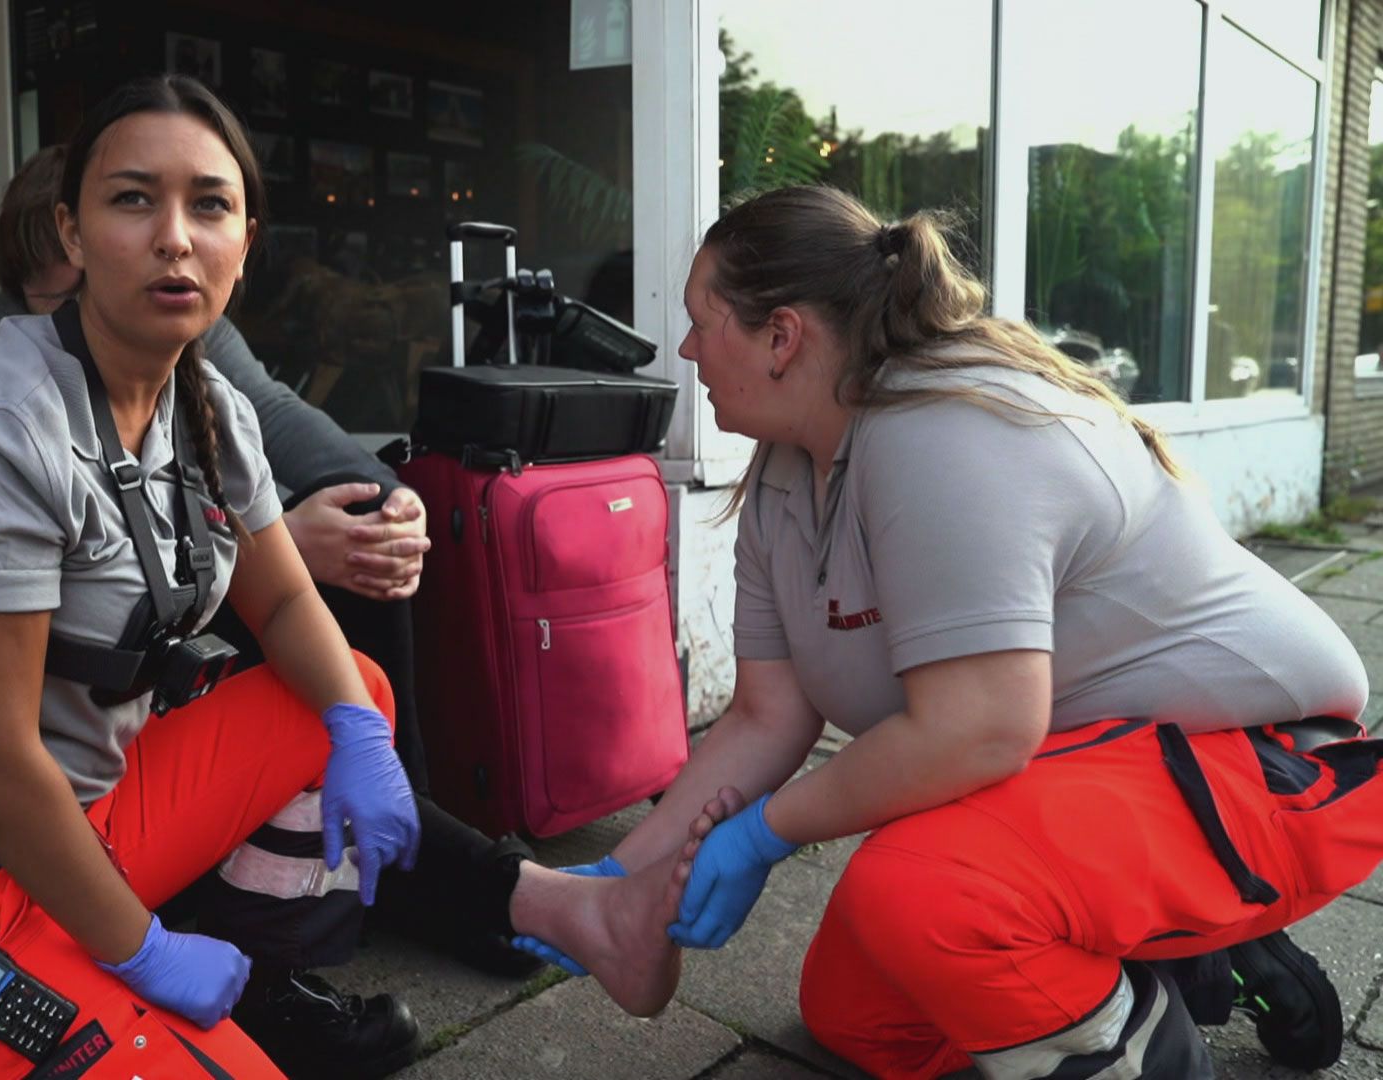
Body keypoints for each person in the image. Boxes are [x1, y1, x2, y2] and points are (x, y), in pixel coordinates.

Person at [526, 184, 1383, 1078]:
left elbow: (976, 728)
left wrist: (763, 834)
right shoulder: (785, 476)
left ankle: (1154, 1024)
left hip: (1269, 768)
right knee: (856, 1018)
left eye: (705, 322)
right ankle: (1158, 948)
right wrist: (623, 876)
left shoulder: (945, 430)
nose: (687, 348)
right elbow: (765, 718)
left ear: (782, 337)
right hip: (1084, 775)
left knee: (922, 896)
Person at [0, 75, 426, 1080]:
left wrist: (363, 737)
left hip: (91, 814)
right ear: (70, 231)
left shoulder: (208, 402)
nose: (175, 236)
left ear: (246, 239)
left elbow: (278, 600)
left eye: (211, 205)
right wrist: (142, 951)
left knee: (345, 694)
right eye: (133, 198)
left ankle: (263, 992)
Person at [0, 145, 545, 982]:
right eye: (63, 288)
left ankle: (398, 829)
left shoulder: (189, 329)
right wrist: (284, 537)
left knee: (352, 579)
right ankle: (467, 882)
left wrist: (380, 497)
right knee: (290, 614)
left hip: (154, 662)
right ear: (68, 246)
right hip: (78, 672)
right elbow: (107, 542)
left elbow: (279, 415)